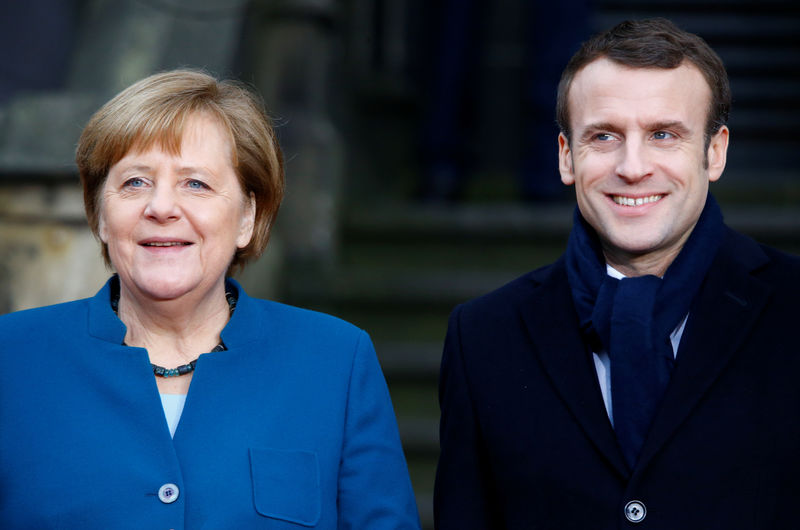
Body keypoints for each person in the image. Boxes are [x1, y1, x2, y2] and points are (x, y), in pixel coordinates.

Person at [0, 69, 420, 529]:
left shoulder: (336, 361)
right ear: (100, 215)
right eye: (135, 182)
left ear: (247, 217)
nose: (161, 207)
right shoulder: (12, 357)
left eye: (195, 183)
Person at [434, 18, 800, 529]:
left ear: (714, 152)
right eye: (603, 136)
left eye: (663, 135)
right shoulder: (484, 336)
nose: (632, 166)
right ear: (566, 157)